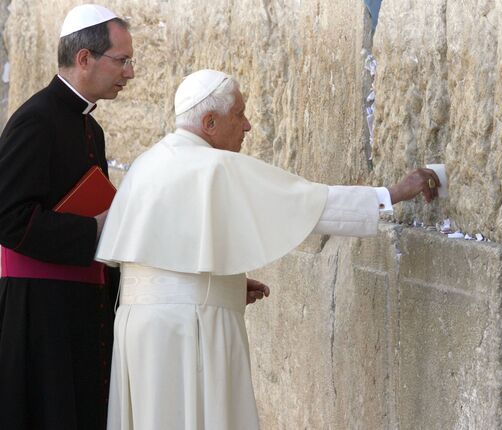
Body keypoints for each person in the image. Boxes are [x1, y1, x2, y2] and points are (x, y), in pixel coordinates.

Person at [96, 69, 440, 430]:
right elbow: (308, 204)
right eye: (239, 115)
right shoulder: (215, 165)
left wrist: (225, 284)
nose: (246, 126)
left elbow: (159, 267)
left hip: (139, 329)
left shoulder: (146, 163)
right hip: (190, 328)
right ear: (209, 121)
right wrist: (392, 194)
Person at [0, 4, 135, 429]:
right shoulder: (35, 120)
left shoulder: (90, 128)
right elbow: (7, 218)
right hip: (40, 314)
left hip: (80, 307)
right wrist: (92, 228)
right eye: (123, 60)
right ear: (84, 59)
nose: (129, 73)